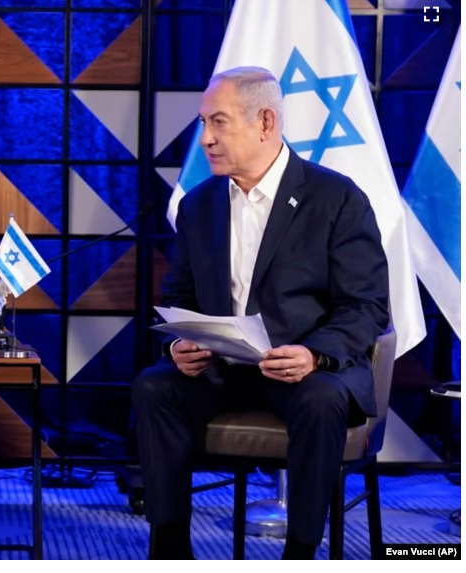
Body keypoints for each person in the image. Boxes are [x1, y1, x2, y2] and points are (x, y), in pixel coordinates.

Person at [133, 67, 388, 560]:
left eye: (219, 122)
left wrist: (314, 355)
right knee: (153, 387)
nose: (205, 139)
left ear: (265, 122)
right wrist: (179, 344)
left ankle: (299, 554)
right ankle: (169, 550)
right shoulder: (199, 205)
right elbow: (180, 295)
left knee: (321, 401)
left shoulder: (337, 198)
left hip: (305, 372)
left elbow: (366, 307)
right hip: (224, 369)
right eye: (204, 123)